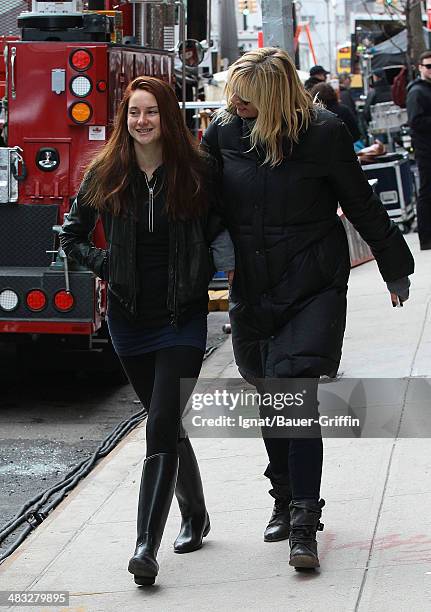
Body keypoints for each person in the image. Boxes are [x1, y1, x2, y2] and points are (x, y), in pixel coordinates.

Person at [201, 47, 414, 570]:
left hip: (312, 283)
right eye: (233, 99)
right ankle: (282, 497)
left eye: (246, 101)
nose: (236, 108)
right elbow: (200, 205)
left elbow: (360, 200)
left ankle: (303, 521)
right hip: (253, 285)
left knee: (294, 394)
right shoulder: (224, 134)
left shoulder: (323, 132)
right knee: (268, 392)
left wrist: (395, 265)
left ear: (273, 99)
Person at [59, 76, 234, 585]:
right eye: (134, 112)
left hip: (182, 320)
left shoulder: (198, 172)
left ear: (168, 117)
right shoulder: (106, 172)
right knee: (167, 424)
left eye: (151, 112)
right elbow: (70, 237)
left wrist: (222, 276)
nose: (142, 121)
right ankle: (196, 514)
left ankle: (145, 548)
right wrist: (105, 264)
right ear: (124, 119)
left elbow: (223, 230)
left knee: (159, 426)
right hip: (129, 320)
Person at [407, 49, 431, 250]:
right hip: (426, 150)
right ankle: (426, 237)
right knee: (427, 191)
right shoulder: (417, 91)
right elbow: (416, 122)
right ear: (420, 68)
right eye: (428, 66)